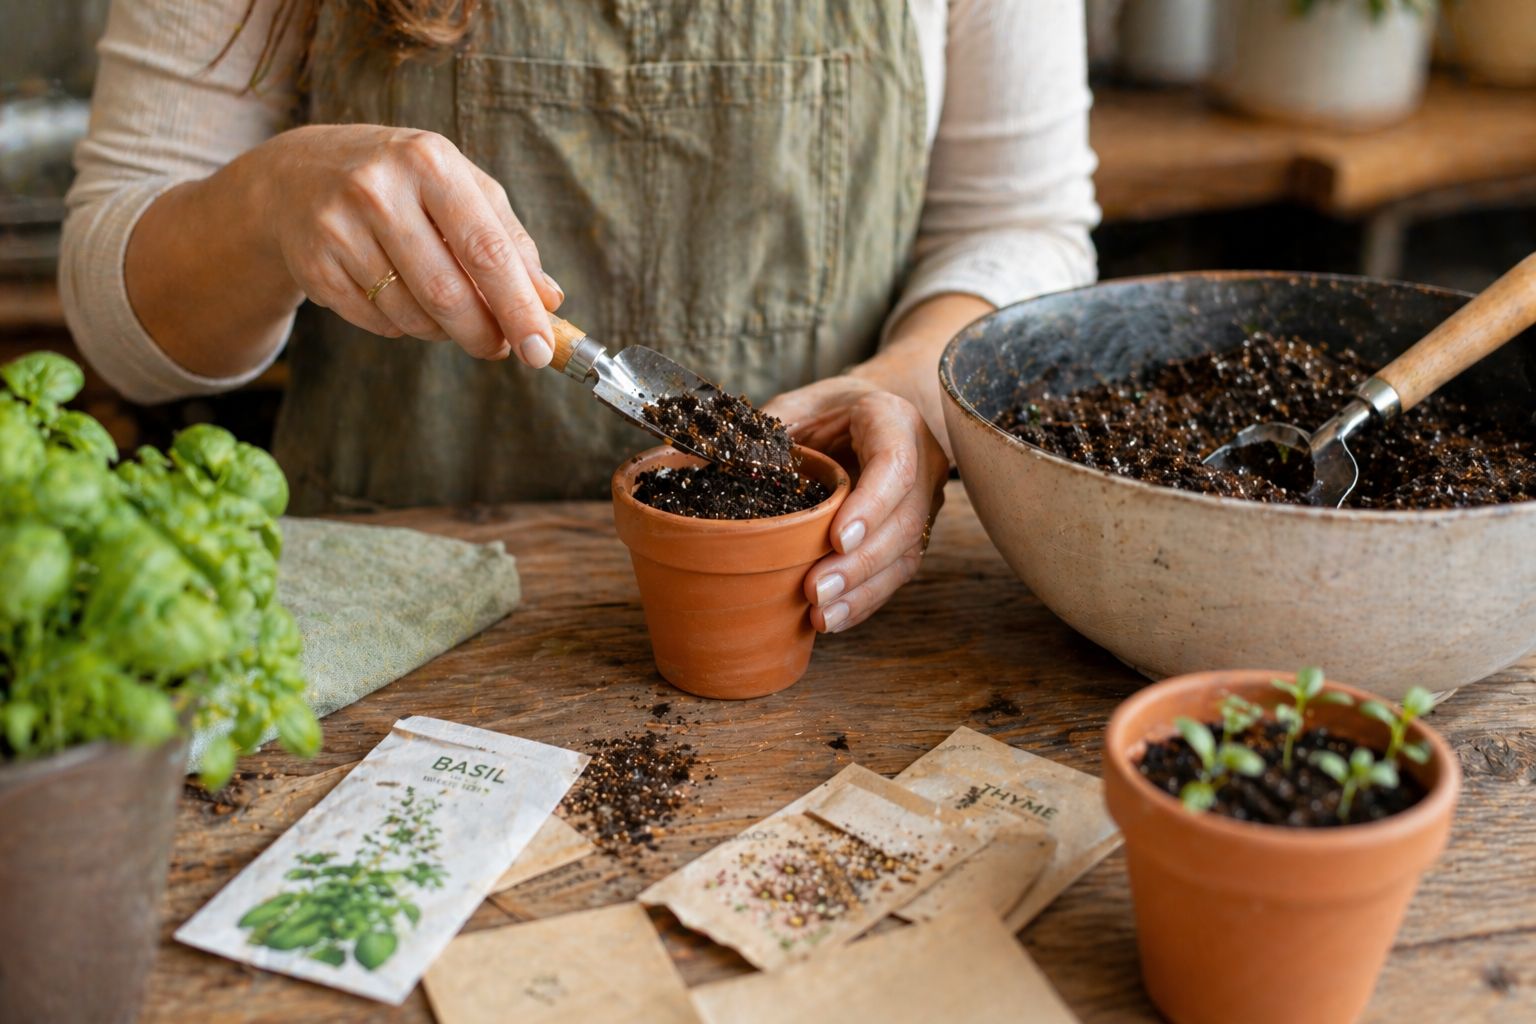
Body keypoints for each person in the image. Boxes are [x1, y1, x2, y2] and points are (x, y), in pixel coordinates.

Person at [61, 0, 1099, 635]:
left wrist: (907, 389)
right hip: (390, 624)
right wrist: (266, 204)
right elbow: (122, 331)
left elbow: (1021, 223)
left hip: (829, 618)